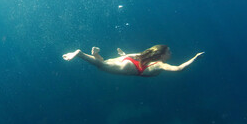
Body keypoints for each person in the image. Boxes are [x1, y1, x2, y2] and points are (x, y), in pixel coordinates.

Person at [62, 45, 204, 77]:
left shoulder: (147, 56)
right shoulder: (160, 64)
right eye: (169, 52)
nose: (171, 53)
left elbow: (136, 56)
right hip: (131, 68)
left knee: (103, 63)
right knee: (101, 65)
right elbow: (179, 68)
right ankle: (80, 54)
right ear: (161, 55)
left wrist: (123, 54)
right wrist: (195, 58)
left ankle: (96, 54)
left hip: (128, 58)